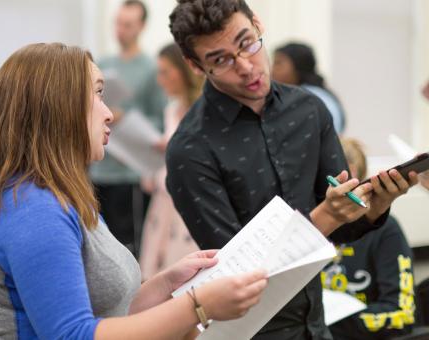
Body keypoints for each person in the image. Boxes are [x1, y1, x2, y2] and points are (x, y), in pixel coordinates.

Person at [0, 43, 268, 339]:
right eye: (98, 94)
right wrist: (197, 306)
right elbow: (75, 335)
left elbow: (110, 314)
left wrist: (166, 284)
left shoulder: (59, 197)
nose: (109, 113)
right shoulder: (34, 210)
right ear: (58, 106)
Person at [166, 1, 418, 339]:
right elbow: (237, 275)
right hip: (253, 331)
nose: (245, 67)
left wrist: (376, 206)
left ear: (258, 24)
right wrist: (324, 217)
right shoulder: (191, 148)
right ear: (195, 66)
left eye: (247, 43)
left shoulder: (309, 111)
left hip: (317, 322)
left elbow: (344, 230)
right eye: (221, 60)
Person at [90, 0, 167, 256]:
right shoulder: (102, 63)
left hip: (130, 175)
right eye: (117, 23)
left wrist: (127, 117)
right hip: (99, 170)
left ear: (141, 27)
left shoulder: (152, 69)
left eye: (127, 24)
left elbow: (161, 120)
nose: (120, 30)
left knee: (127, 246)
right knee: (97, 245)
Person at [321, 138, 416, 339]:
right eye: (338, 184)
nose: (345, 194)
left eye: (354, 185)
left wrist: (326, 325)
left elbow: (403, 314)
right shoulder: (310, 224)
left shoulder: (386, 230)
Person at [139, 43, 203, 280]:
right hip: (162, 202)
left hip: (185, 207)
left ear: (184, 70)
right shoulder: (172, 109)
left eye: (165, 72)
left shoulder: (202, 111)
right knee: (155, 273)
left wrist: (174, 149)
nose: (160, 79)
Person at [272, 42, 346, 134]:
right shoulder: (319, 93)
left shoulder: (306, 98)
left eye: (278, 63)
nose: (272, 70)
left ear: (297, 66)